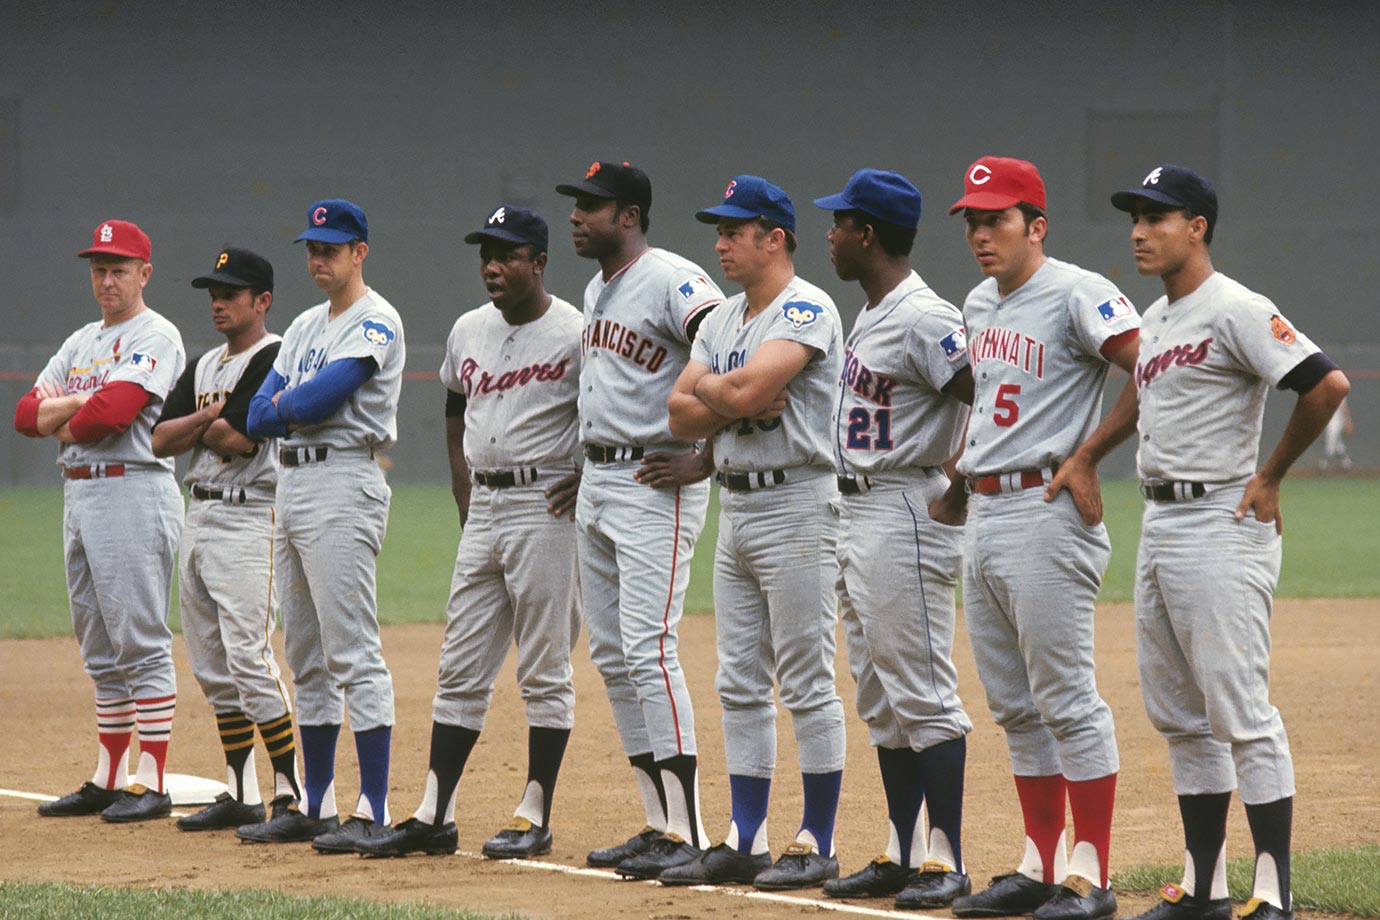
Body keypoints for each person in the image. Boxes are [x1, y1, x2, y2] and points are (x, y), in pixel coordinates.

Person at [1109, 164, 1350, 920]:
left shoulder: (1236, 307)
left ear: (1198, 227)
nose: (1140, 231)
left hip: (1221, 519)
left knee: (1241, 711)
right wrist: (1087, 452)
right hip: (1159, 520)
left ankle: (1272, 892)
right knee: (1180, 715)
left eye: (1157, 217)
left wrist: (1273, 473)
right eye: (1136, 217)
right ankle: (1205, 888)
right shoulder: (1157, 317)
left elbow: (1325, 384)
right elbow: (1139, 394)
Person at [935, 157, 1142, 920]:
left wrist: (1090, 454)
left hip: (1048, 510)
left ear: (1037, 225)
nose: (981, 234)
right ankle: (1041, 860)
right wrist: (960, 484)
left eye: (997, 219)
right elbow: (991, 406)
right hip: (986, 513)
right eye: (972, 221)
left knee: (1065, 700)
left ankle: (1090, 875)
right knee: (1015, 706)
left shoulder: (1078, 291)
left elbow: (1151, 366)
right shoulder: (978, 303)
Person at [355, 205, 583, 860]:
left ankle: (534, 813)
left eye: (508, 253)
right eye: (486, 251)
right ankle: (435, 813)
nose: (492, 264)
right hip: (485, 505)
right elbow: (455, 403)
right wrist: (461, 482)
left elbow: (610, 412)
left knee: (543, 665)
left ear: (539, 262)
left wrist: (587, 477)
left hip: (548, 504)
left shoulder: (576, 332)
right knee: (459, 663)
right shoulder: (467, 330)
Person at [662, 175, 847, 891]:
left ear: (774, 238)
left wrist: (726, 394)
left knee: (804, 677)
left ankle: (818, 838)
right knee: (738, 680)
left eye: (734, 230)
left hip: (799, 502)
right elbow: (680, 414)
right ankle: (746, 836)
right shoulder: (720, 319)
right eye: (720, 229)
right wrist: (737, 400)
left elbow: (720, 394)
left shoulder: (807, 306)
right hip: (735, 503)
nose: (720, 242)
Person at [808, 169, 976, 909]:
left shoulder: (922, 316)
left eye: (839, 222)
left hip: (905, 506)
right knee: (880, 697)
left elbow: (992, 393)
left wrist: (964, 479)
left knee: (923, 692)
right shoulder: (872, 313)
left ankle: (947, 858)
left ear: (868, 234)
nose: (829, 234)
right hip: (859, 512)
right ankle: (902, 851)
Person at [555, 160, 724, 879]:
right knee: (613, 655)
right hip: (601, 475)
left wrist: (708, 455)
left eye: (590, 205)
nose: (576, 216)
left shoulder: (676, 279)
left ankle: (688, 830)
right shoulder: (597, 287)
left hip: (657, 477)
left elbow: (732, 346)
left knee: (649, 648)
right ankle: (658, 822)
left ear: (628, 215)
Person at [238, 198, 405, 852]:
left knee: (352, 648)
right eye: (311, 247)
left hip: (345, 479)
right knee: (303, 651)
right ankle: (315, 803)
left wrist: (288, 407)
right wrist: (287, 409)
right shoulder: (306, 324)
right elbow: (256, 415)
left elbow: (320, 396)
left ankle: (372, 806)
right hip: (296, 480)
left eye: (330, 248)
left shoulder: (376, 318)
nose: (318, 258)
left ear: (359, 251)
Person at [14, 219, 186, 823]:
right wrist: (79, 407)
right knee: (99, 647)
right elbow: (23, 416)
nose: (106, 279)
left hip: (132, 490)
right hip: (81, 494)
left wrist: (68, 412)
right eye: (98, 268)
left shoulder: (157, 334)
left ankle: (154, 780)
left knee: (139, 638)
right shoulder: (82, 340)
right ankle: (108, 776)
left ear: (144, 273)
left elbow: (108, 417)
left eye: (118, 268)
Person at [150, 247, 302, 831]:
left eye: (230, 292)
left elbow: (238, 437)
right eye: (213, 291)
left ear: (261, 300)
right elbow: (161, 439)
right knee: (213, 664)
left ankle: (289, 794)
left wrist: (206, 424)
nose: (217, 301)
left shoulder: (275, 354)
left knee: (250, 656)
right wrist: (202, 422)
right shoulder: (207, 361)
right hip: (201, 515)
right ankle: (241, 792)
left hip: (249, 517)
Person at [1319, 396, 1353, 471]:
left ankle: (1324, 464)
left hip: (1335, 422)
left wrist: (1348, 421)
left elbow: (1344, 408)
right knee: (1338, 444)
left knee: (1330, 443)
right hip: (1331, 422)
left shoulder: (1339, 393)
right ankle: (1347, 463)